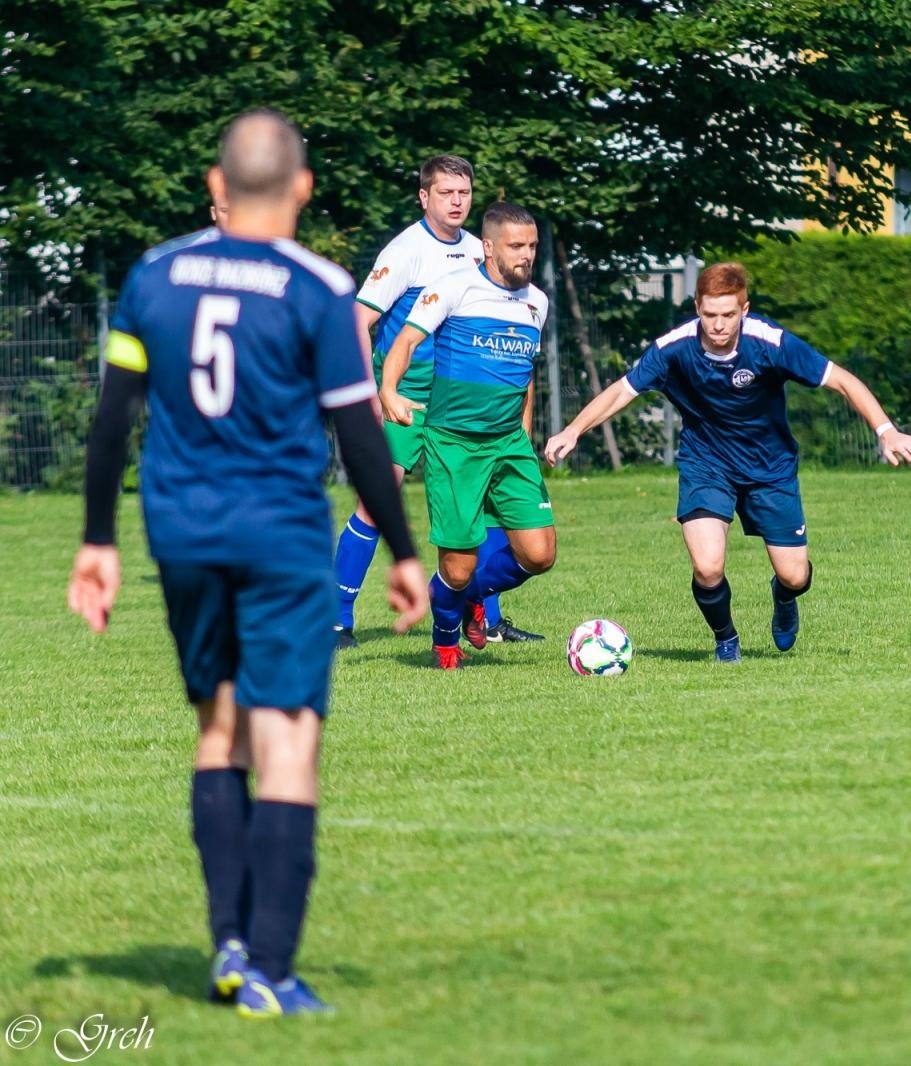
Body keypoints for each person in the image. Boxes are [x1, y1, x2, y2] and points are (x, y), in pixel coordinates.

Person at [67, 108, 429, 1017]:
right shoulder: (316, 287)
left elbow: (113, 418)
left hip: (180, 533)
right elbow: (357, 432)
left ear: (217, 188)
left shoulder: (154, 273)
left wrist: (97, 541)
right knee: (289, 743)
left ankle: (228, 941)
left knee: (219, 729)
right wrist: (404, 550)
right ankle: (271, 965)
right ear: (303, 187)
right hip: (279, 535)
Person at [544, 262, 911, 662]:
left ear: (745, 309)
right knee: (708, 567)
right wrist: (574, 430)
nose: (719, 325)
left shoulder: (770, 343)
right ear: (697, 308)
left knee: (794, 575)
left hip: (770, 468)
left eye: (729, 315)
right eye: (710, 315)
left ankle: (784, 596)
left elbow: (842, 380)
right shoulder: (674, 347)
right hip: (707, 464)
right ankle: (726, 639)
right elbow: (622, 392)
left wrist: (886, 431)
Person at [331, 156, 541, 648]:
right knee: (377, 499)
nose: (456, 201)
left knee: (487, 499)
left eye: (463, 193)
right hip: (406, 394)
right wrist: (373, 393)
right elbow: (356, 321)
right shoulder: (406, 251)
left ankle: (487, 617)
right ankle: (338, 619)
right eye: (445, 193)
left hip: (458, 397)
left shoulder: (480, 250)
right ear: (424, 197)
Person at [379, 201, 554, 670]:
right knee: (457, 567)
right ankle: (444, 642)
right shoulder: (453, 288)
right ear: (490, 246)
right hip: (455, 443)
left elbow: (526, 371)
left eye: (533, 246)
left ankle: (474, 597)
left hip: (508, 444)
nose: (527, 255)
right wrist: (389, 390)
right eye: (517, 246)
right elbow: (406, 341)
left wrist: (524, 427)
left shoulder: (537, 302)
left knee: (539, 554)